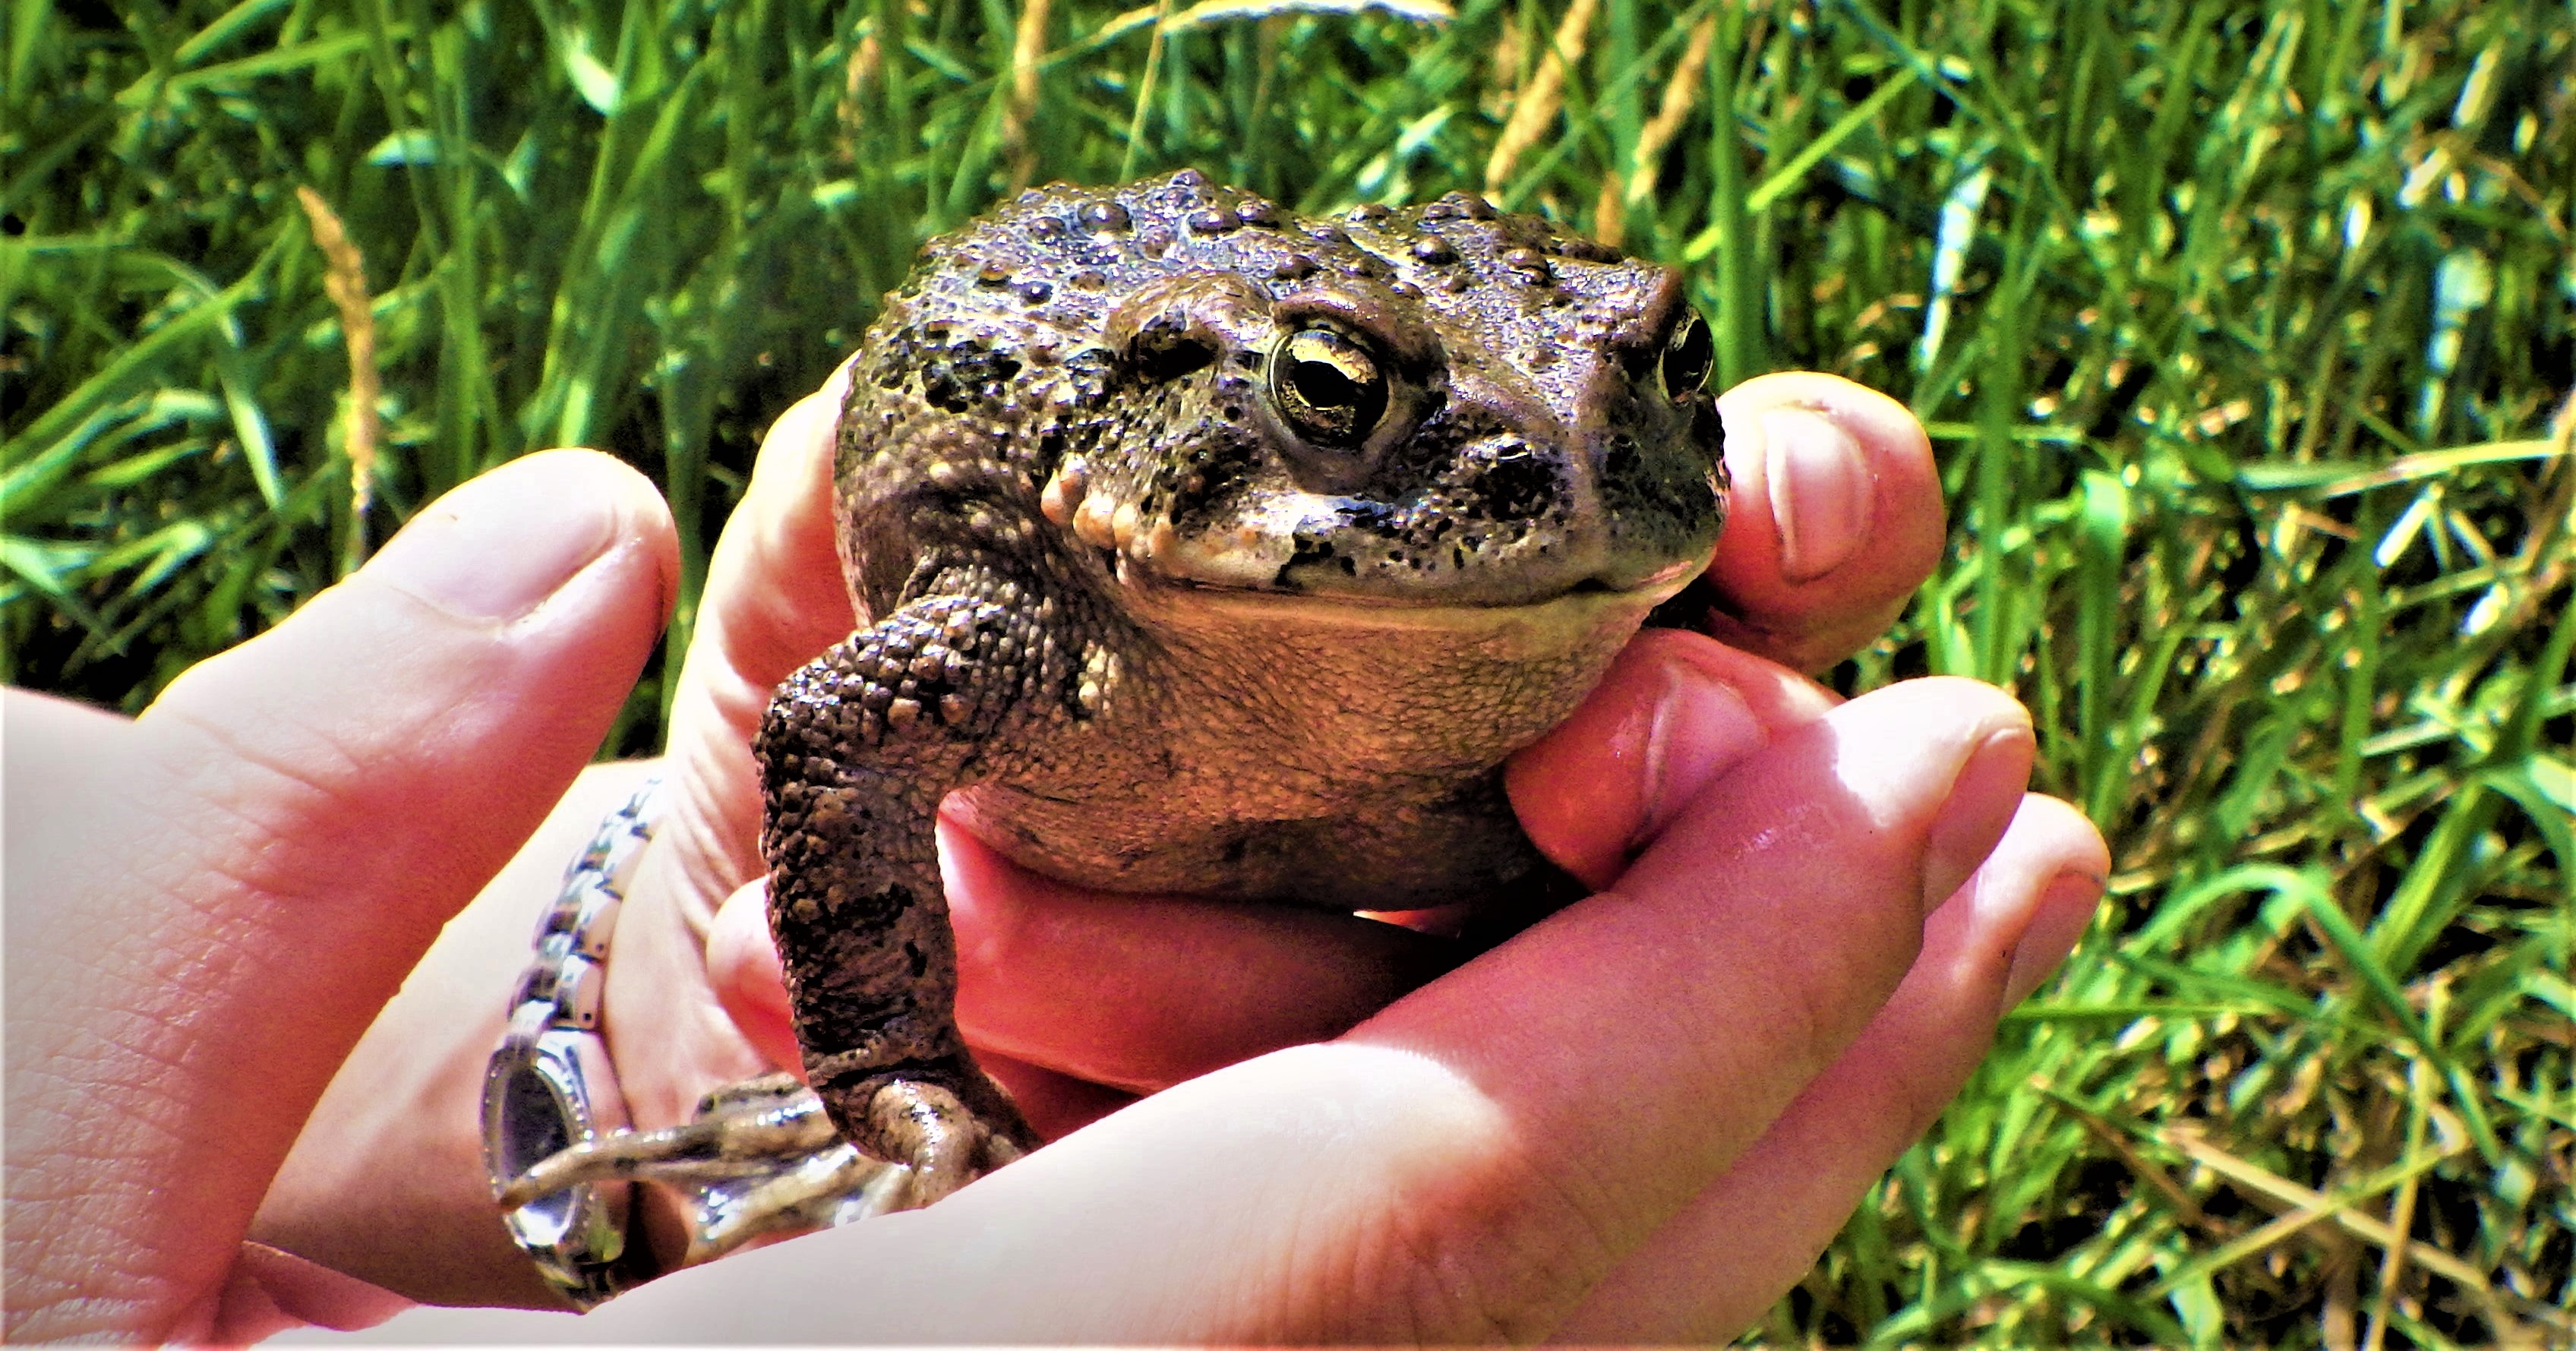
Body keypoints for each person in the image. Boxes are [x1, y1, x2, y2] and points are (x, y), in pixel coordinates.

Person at [3, 373, 2107, 1343]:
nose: (1549, 472)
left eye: (1642, 383)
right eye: (1347, 404)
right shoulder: (1045, 607)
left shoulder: (1568, 523)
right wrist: (888, 1088)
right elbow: (848, 721)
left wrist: (650, 1052)